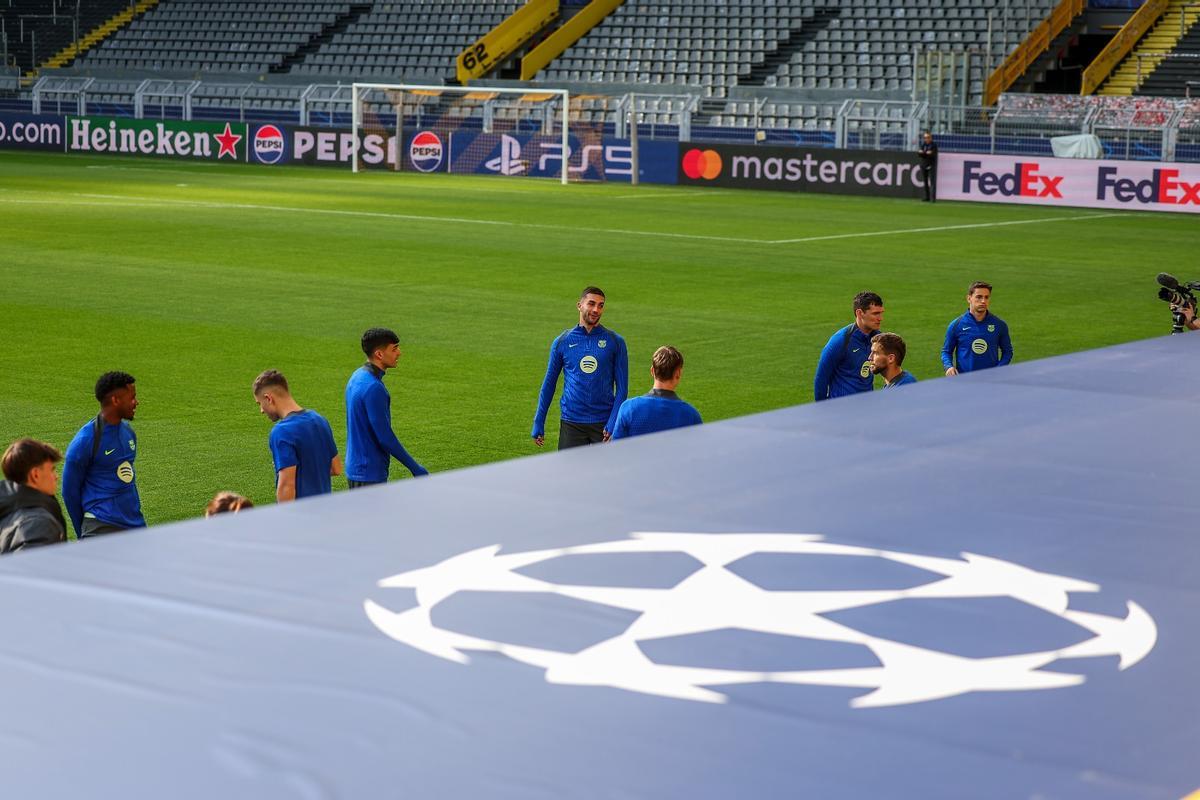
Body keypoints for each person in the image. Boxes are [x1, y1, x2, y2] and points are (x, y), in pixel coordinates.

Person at [532, 286, 629, 449]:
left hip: (603, 425)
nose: (596, 309)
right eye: (591, 304)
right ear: (579, 305)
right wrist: (539, 421)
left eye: (601, 305)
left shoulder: (615, 342)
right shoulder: (562, 342)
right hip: (572, 423)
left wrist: (613, 422)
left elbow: (622, 389)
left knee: (605, 474)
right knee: (570, 474)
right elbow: (549, 385)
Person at [62, 371, 146, 539]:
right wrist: (84, 533)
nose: (136, 402)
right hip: (101, 526)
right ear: (115, 400)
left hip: (134, 524)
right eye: (132, 397)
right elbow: (69, 492)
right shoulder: (86, 441)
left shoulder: (128, 433)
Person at [344, 327, 428, 489]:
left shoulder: (357, 376)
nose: (399, 353)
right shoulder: (374, 388)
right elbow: (384, 437)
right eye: (394, 348)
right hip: (369, 473)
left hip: (356, 466)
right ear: (379, 354)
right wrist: (415, 468)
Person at [252, 370, 342, 502]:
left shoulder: (281, 432)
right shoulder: (319, 420)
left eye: (260, 404)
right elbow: (336, 468)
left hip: (302, 517)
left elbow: (287, 486)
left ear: (268, 398)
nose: (261, 410)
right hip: (325, 512)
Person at [611, 346, 702, 440]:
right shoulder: (691, 416)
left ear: (652, 371)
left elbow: (617, 449)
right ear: (678, 373)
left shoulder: (629, 408)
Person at [0, 438, 68, 554]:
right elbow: (31, 570)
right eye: (52, 470)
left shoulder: (7, 508)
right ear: (35, 475)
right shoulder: (38, 524)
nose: (56, 477)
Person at [814, 292, 885, 402]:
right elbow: (821, 379)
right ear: (860, 313)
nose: (880, 318)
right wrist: (823, 410)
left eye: (881, 313)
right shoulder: (840, 340)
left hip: (867, 407)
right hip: (842, 409)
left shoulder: (878, 339)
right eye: (875, 314)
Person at [942, 281, 1013, 375]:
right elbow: (946, 351)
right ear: (969, 298)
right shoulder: (957, 325)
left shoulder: (999, 325)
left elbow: (1007, 352)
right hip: (965, 381)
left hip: (991, 380)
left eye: (986, 297)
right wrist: (948, 367)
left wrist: (999, 369)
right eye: (979, 297)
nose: (983, 301)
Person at [918, 131, 938, 203]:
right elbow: (920, 154)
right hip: (924, 165)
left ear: (931, 138)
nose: (926, 139)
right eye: (925, 138)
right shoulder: (923, 145)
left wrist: (925, 153)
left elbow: (931, 155)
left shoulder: (934, 145)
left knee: (932, 182)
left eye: (928, 137)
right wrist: (925, 153)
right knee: (925, 181)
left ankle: (933, 198)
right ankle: (927, 197)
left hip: (931, 165)